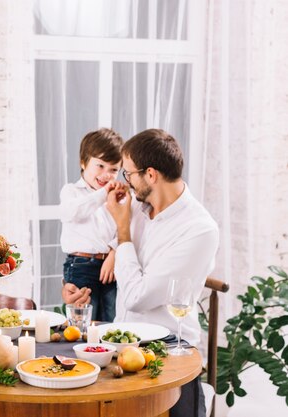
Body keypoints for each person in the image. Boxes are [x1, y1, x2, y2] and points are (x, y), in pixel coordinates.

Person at [105, 128, 219, 417]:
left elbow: (137, 297)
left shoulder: (199, 229)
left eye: (128, 174)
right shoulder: (139, 210)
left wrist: (122, 233)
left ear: (151, 175)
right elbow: (115, 259)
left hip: (170, 357)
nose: (125, 182)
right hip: (124, 348)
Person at [59, 128, 123, 321]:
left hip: (112, 266)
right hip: (81, 267)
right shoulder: (71, 191)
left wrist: (113, 251)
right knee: (83, 322)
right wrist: (104, 194)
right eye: (100, 166)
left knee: (111, 321)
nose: (106, 174)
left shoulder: (119, 196)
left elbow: (127, 226)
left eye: (113, 170)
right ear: (83, 162)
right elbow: (72, 213)